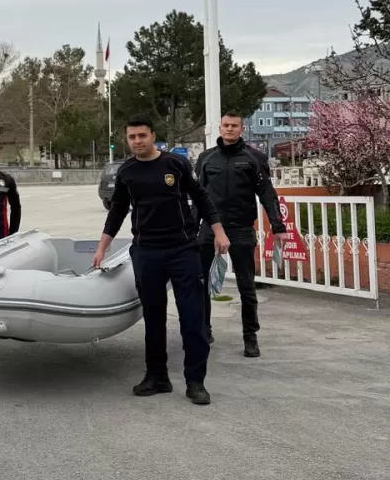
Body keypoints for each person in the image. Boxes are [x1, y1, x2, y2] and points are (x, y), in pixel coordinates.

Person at [92, 117, 230, 407]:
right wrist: (101, 248)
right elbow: (116, 211)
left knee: (192, 319)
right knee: (153, 319)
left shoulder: (175, 166)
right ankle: (157, 377)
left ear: (153, 135)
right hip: (146, 252)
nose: (137, 141)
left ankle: (196, 382)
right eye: (132, 137)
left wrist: (218, 231)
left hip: (183, 250)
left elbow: (201, 198)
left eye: (142, 135)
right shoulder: (127, 172)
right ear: (127, 140)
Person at [195, 112, 285, 358]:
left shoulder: (254, 158)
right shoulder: (205, 158)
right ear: (220, 127)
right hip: (209, 229)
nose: (230, 129)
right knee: (200, 283)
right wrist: (191, 230)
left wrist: (278, 226)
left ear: (242, 129)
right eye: (226, 125)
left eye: (235, 126)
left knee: (247, 286)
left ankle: (250, 337)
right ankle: (204, 330)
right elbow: (197, 195)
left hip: (241, 229)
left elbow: (267, 193)